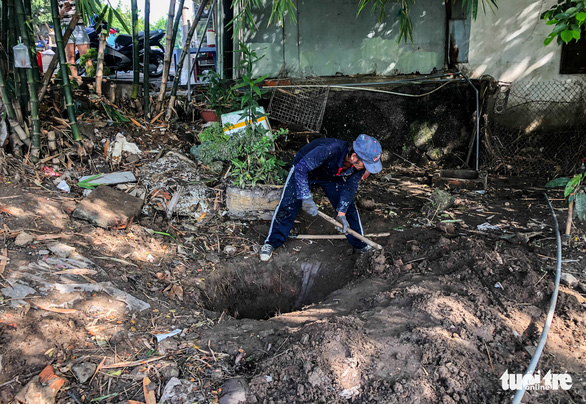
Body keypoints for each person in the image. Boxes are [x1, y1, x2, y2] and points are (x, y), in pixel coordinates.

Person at [260, 134, 383, 262]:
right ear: (353, 157)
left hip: (332, 176)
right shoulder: (328, 149)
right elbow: (301, 169)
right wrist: (306, 197)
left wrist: (341, 213)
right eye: (366, 164)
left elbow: (349, 187)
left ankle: (360, 244)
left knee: (349, 209)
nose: (367, 169)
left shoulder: (359, 166)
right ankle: (272, 242)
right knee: (289, 204)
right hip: (305, 170)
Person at [58, 0, 91, 82]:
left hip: (79, 26)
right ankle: (74, 79)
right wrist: (63, 10)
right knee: (70, 56)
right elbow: (58, 16)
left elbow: (88, 10)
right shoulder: (59, 1)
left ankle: (91, 79)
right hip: (65, 27)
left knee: (86, 56)